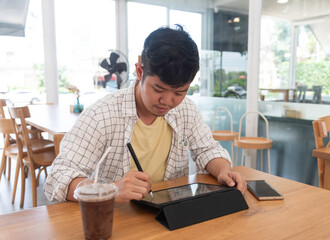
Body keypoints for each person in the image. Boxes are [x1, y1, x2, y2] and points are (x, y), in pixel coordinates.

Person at [44, 25, 246, 203]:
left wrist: (224, 171)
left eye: (179, 92)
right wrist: (109, 190)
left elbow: (207, 150)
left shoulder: (186, 110)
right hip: (118, 220)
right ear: (140, 72)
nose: (167, 101)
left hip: (171, 216)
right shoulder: (101, 115)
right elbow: (58, 176)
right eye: (158, 89)